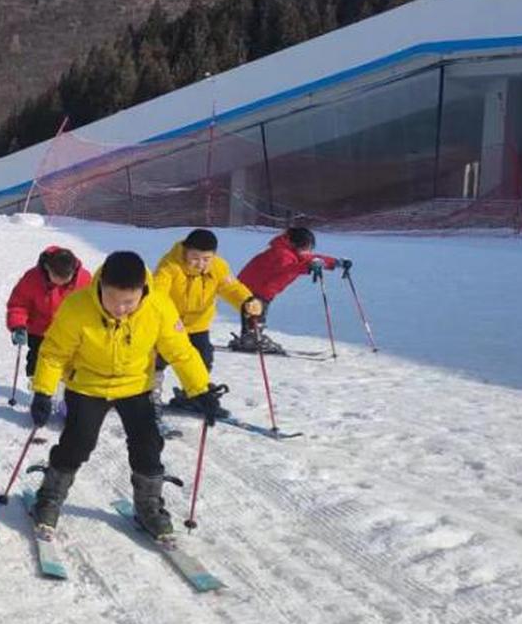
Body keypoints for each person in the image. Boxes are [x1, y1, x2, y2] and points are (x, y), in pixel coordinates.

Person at [28, 251, 220, 543]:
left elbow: (180, 352)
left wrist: (201, 389)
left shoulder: (158, 307)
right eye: (113, 300)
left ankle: (148, 507)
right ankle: (50, 496)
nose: (120, 309)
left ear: (142, 291)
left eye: (129, 302)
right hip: (88, 385)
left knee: (148, 445)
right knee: (77, 444)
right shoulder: (77, 307)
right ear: (100, 286)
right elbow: (54, 353)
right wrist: (43, 391)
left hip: (135, 386)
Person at [152, 228, 261, 414]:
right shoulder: (169, 266)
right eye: (195, 257)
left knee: (203, 360)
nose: (200, 264)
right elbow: (158, 296)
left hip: (197, 325)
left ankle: (193, 396)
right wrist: (166, 320)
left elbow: (232, 288)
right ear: (185, 252)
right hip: (170, 326)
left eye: (206, 259)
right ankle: (150, 397)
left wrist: (247, 301)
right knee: (157, 361)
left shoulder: (218, 267)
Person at [232, 227, 347, 353]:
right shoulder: (281, 254)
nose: (307, 251)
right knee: (255, 313)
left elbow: (312, 258)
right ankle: (251, 339)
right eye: (305, 248)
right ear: (294, 244)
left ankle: (250, 337)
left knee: (256, 313)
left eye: (309, 248)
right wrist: (308, 266)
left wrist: (334, 262)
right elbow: (288, 268)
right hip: (252, 289)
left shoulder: (291, 252)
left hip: (261, 289)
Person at [5, 246, 90, 378]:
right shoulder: (32, 278)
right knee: (37, 362)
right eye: (56, 277)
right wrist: (18, 326)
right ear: (47, 268)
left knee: (69, 364)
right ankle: (36, 389)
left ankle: (63, 392)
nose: (60, 282)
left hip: (69, 333)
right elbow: (18, 304)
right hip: (39, 331)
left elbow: (90, 307)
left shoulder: (84, 279)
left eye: (65, 279)